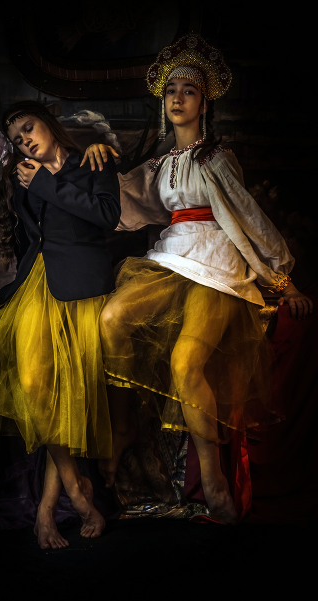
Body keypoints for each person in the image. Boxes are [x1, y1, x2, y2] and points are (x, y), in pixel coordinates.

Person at [81, 34, 313, 524]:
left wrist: (282, 279)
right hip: (172, 258)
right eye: (171, 91)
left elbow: (248, 217)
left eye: (189, 91)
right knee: (112, 318)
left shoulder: (215, 157)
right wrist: (93, 159)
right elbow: (122, 201)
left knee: (187, 363)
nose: (178, 98)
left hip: (215, 263)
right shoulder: (163, 163)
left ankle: (213, 478)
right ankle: (122, 428)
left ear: (204, 103)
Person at [0, 100, 121, 547]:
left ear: (48, 123)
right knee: (35, 386)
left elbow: (106, 216)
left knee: (66, 396)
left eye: (28, 128)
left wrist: (46, 183)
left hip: (82, 289)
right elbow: (33, 237)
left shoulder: (92, 162)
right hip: (36, 286)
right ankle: (75, 490)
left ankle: (46, 510)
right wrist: (32, 183)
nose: (24, 140)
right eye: (16, 138)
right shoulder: (21, 178)